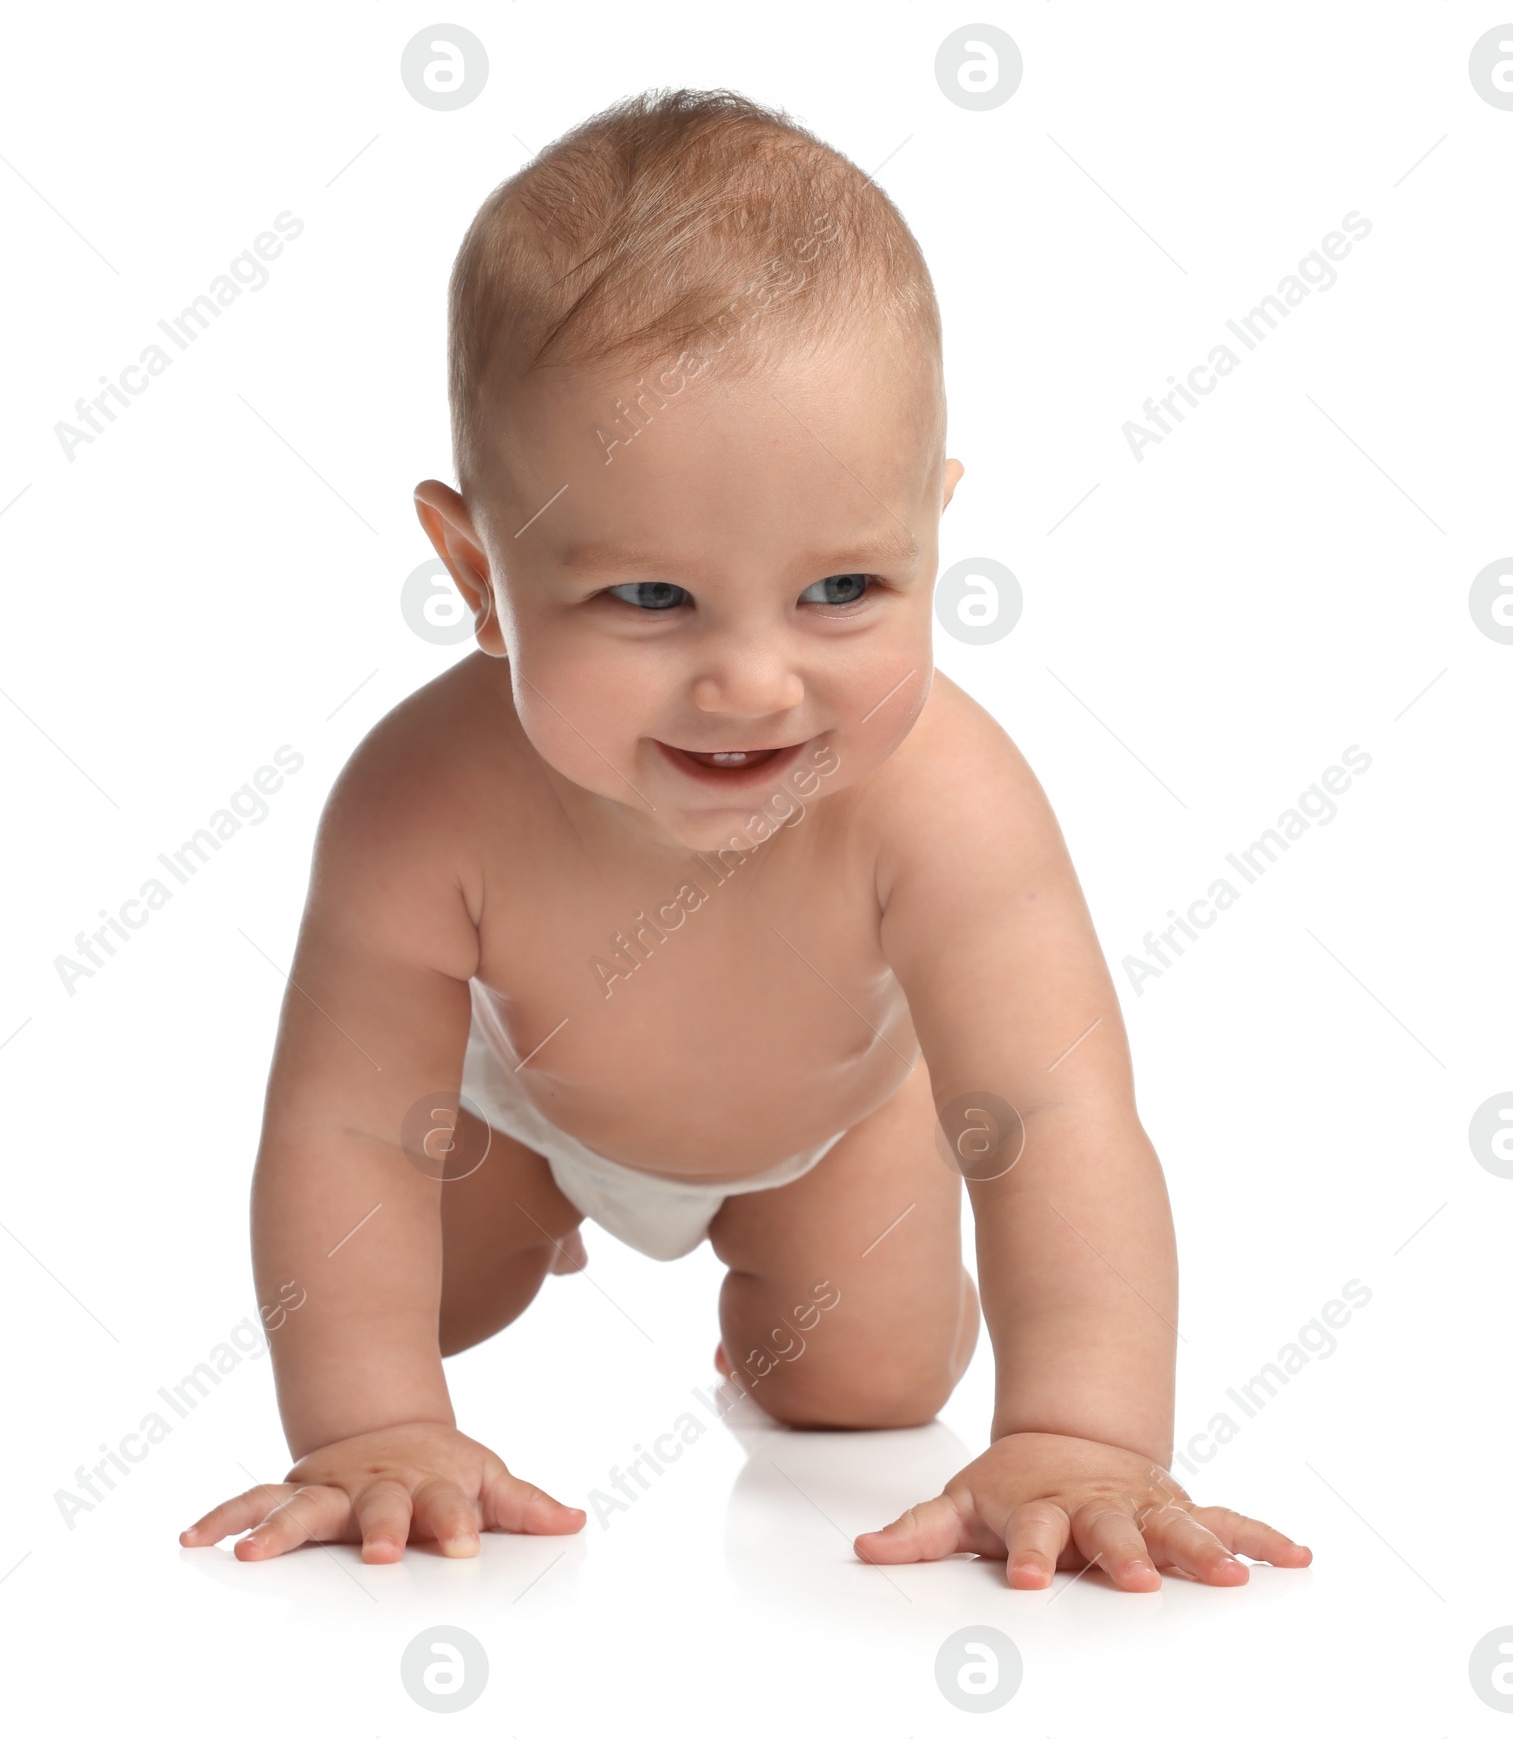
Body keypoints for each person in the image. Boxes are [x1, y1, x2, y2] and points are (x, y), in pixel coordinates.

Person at [180, 87, 1311, 1593]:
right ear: (478, 573)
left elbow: (1048, 1120)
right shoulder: (418, 801)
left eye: (844, 589)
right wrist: (369, 1424)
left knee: (863, 1389)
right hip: (512, 1124)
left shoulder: (947, 803)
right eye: (649, 599)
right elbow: (344, 1123)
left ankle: (814, 1240)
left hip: (834, 1126)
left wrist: (1087, 1436)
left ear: (932, 528)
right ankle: (532, 1234)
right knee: (415, 1300)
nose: (753, 682)